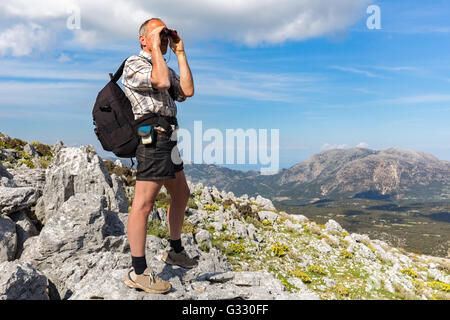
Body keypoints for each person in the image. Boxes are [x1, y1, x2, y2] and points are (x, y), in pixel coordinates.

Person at [122, 17, 196, 294]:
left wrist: (179, 52)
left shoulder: (162, 61)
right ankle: (138, 271)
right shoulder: (135, 63)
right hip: (151, 135)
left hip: (169, 135)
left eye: (165, 35)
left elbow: (187, 90)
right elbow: (162, 81)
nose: (163, 39)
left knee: (182, 194)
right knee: (144, 203)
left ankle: (175, 250)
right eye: (158, 35)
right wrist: (155, 47)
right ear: (143, 39)